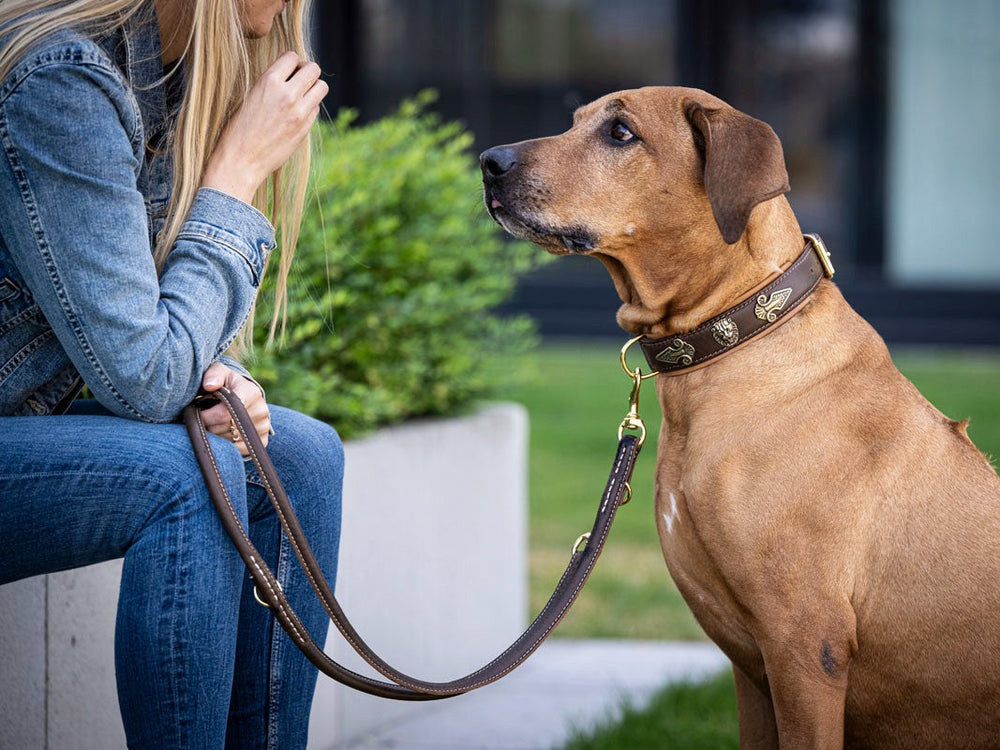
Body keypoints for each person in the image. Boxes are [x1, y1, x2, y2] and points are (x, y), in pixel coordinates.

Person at [0, 0, 342, 747]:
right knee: (183, 478)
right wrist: (238, 172)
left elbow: (131, 327)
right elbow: (144, 378)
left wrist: (210, 379)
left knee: (302, 458)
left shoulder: (169, 79)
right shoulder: (65, 83)